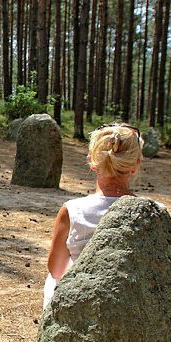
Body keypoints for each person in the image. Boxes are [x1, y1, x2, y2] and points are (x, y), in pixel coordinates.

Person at [43, 124, 144, 308]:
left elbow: (56, 271)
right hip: (131, 308)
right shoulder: (151, 212)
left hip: (80, 307)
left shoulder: (72, 210)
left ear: (92, 161)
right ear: (136, 164)